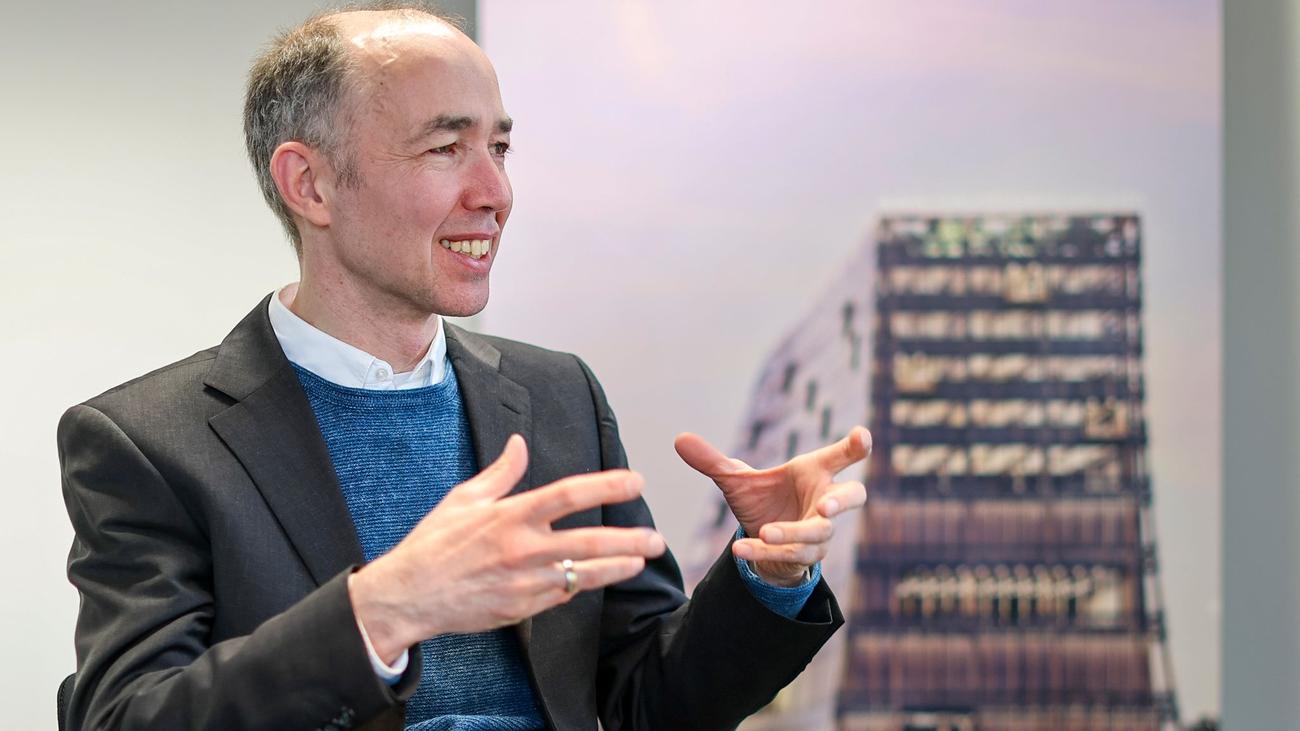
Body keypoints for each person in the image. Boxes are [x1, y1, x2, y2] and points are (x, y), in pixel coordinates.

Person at [58, 4, 870, 730]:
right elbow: (124, 715)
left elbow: (648, 703)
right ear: (310, 184)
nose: (495, 191)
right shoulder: (149, 440)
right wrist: (383, 609)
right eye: (446, 147)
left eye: (500, 147)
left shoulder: (559, 395)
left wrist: (770, 572)